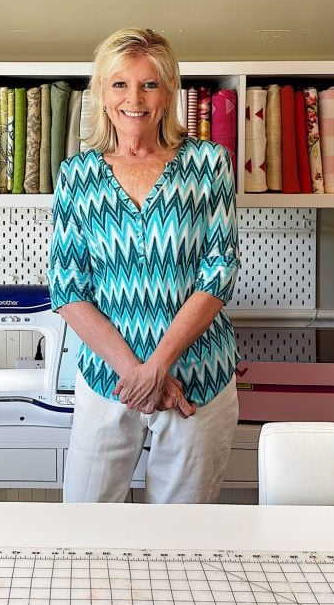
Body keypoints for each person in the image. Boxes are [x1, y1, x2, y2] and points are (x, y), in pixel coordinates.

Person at [48, 27, 239, 503]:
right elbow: (67, 287)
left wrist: (159, 366)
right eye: (120, 84)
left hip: (198, 379)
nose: (134, 98)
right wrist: (138, 373)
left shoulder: (209, 164)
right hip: (105, 376)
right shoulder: (78, 174)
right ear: (102, 92)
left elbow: (218, 272)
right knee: (87, 530)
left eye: (149, 84)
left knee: (180, 543)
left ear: (170, 91)